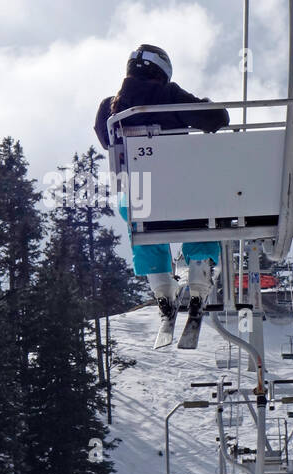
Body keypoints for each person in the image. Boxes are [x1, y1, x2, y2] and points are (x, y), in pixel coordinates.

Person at [95, 44, 230, 327]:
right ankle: (198, 280)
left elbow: (106, 141)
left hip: (138, 202)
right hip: (183, 198)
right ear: (163, 70)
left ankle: (162, 290)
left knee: (144, 230)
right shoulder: (170, 97)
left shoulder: (109, 107)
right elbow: (218, 119)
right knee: (202, 220)